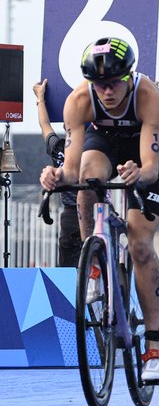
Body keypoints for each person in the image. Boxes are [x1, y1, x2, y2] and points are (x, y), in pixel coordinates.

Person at [38, 37, 159, 383]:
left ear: (129, 77)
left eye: (113, 83)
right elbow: (69, 169)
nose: (107, 92)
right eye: (99, 84)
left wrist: (139, 173)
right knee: (86, 176)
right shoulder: (79, 100)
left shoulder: (148, 95)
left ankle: (154, 344)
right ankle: (94, 260)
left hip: (141, 153)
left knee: (140, 244)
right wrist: (54, 176)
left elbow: (151, 167)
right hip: (104, 145)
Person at [33, 80, 80, 267]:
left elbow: (45, 124)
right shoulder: (59, 147)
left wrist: (40, 99)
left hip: (83, 211)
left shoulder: (60, 147)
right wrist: (40, 99)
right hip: (74, 213)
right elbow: (44, 125)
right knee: (70, 266)